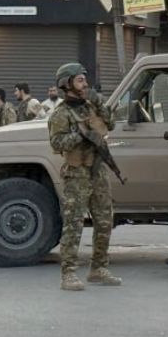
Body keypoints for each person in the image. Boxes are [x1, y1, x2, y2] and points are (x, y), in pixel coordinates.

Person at [47, 63, 122, 291]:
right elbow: (56, 143)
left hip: (97, 169)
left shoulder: (91, 106)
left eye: (84, 79)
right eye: (80, 80)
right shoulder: (61, 114)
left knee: (104, 220)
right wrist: (80, 135)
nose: (85, 84)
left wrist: (99, 103)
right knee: (74, 223)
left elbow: (110, 123)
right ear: (66, 84)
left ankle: (98, 268)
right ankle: (68, 273)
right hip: (77, 172)